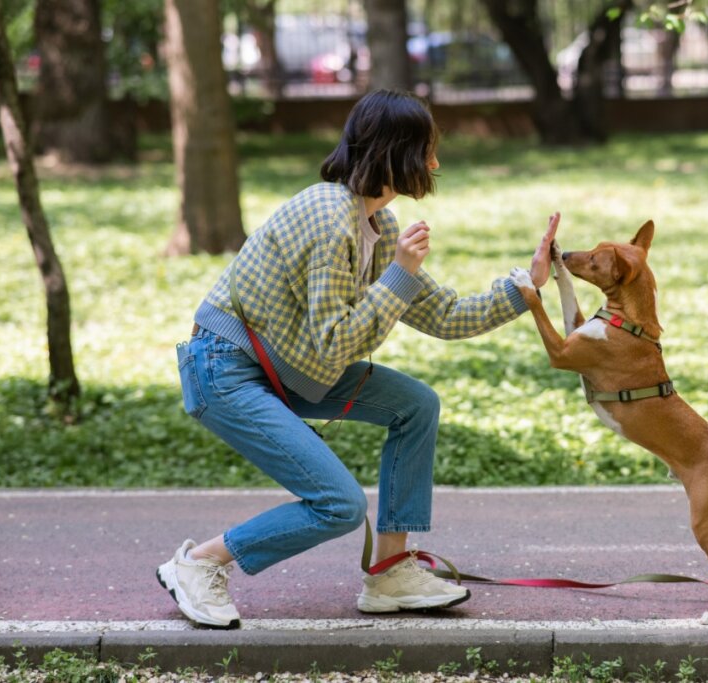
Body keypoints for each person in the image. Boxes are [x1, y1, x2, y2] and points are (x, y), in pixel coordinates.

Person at [158, 89, 558, 628]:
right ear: (397, 153)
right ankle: (199, 564)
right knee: (338, 505)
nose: (435, 163)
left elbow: (446, 317)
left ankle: (390, 571)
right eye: (427, 149)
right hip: (225, 369)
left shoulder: (378, 225)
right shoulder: (329, 221)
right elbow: (335, 343)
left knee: (416, 404)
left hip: (288, 365)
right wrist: (399, 275)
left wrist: (525, 287)